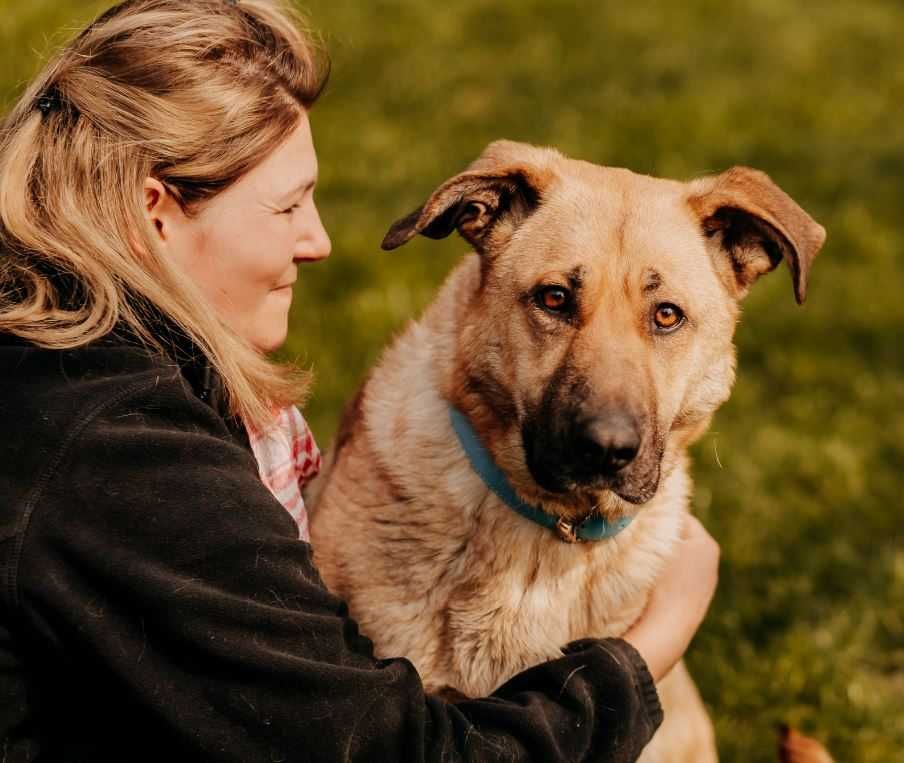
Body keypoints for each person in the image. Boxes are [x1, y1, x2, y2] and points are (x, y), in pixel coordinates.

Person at [0, 1, 721, 761]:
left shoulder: (62, 346)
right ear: (155, 210)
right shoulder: (119, 453)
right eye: (287, 206)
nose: (319, 240)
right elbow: (387, 750)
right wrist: (649, 646)